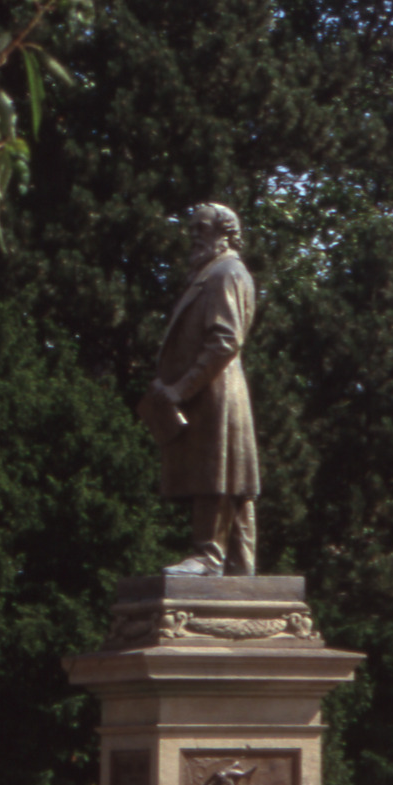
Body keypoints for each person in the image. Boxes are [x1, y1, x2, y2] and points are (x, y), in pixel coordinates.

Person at [139, 203, 260, 575]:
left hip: (216, 390)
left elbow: (226, 340)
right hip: (209, 392)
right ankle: (241, 566)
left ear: (225, 231)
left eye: (201, 227)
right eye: (190, 226)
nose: (193, 234)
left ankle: (209, 556)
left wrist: (182, 389)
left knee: (220, 473)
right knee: (230, 479)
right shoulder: (207, 274)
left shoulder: (226, 273)